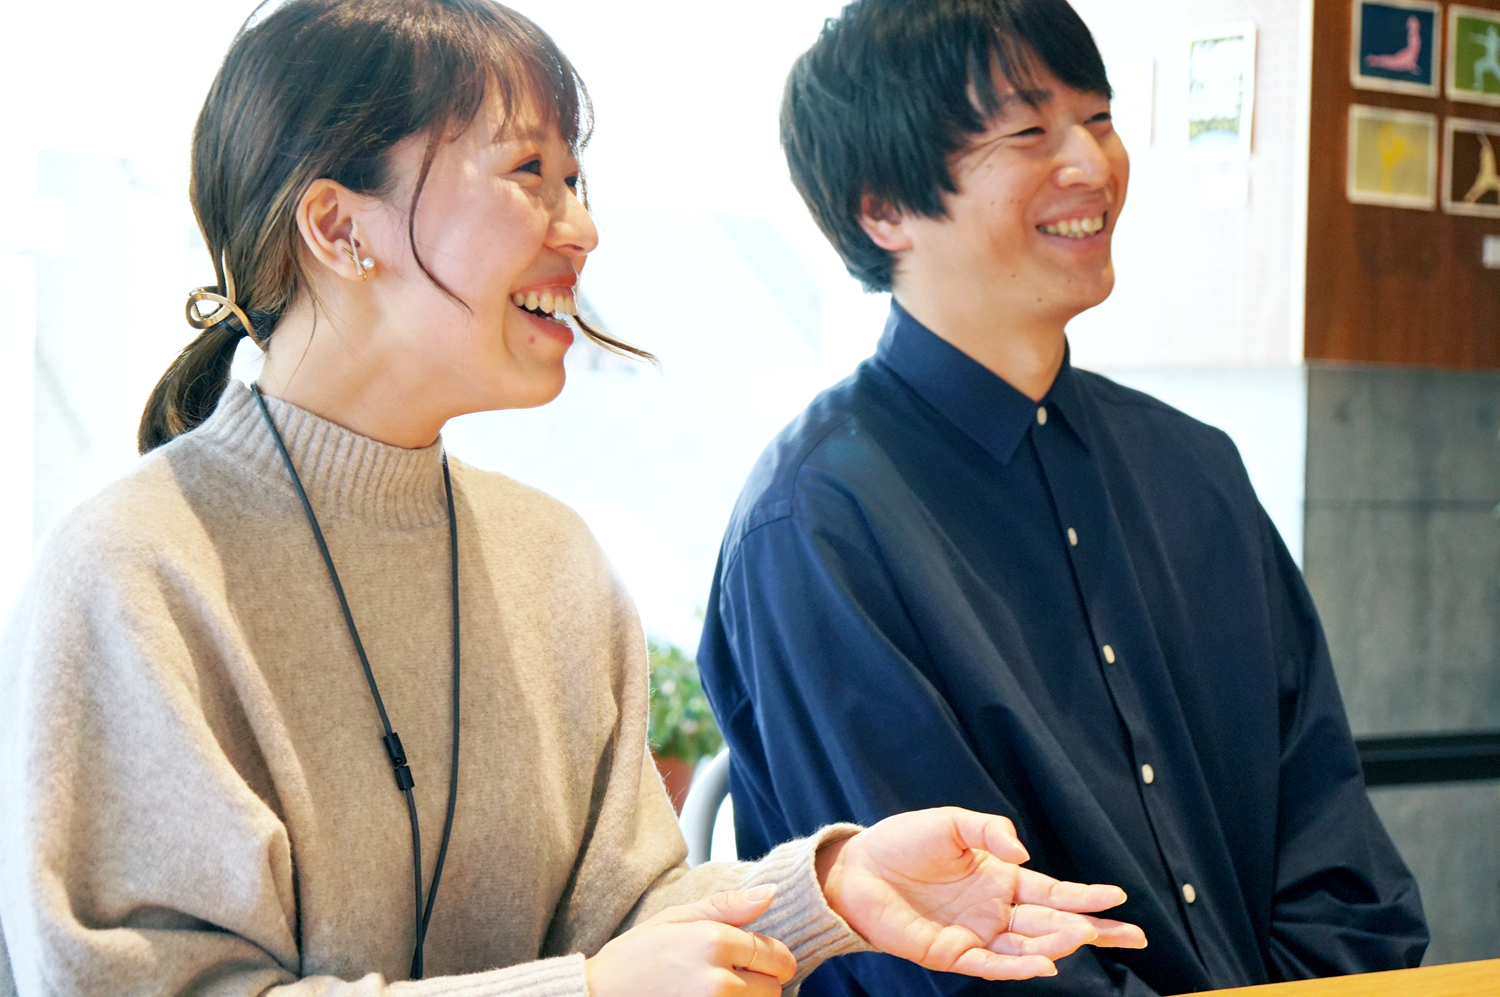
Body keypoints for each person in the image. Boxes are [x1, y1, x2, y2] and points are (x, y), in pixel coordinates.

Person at [0, 2, 1154, 995]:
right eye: (528, 175)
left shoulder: (549, 555)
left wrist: (829, 888)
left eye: (577, 179)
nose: (584, 229)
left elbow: (629, 919)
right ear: (339, 226)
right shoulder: (133, 569)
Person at [695, 1, 1429, 996]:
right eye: (1031, 132)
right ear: (883, 207)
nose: (1091, 164)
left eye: (1100, 118)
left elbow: (1340, 862)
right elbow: (947, 963)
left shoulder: (1195, 469)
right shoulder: (817, 523)